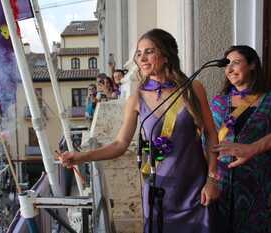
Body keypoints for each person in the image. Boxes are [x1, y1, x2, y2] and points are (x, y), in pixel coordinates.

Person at [60, 28, 220, 232]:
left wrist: (213, 179)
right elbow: (120, 144)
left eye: (149, 52)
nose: (142, 58)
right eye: (139, 53)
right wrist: (82, 157)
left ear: (166, 55)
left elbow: (212, 134)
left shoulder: (193, 88)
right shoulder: (137, 97)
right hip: (158, 191)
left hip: (196, 190)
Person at [210, 45, 271, 233]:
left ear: (252, 65)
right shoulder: (218, 102)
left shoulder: (268, 100)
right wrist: (209, 180)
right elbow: (207, 143)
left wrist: (253, 148)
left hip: (258, 187)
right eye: (227, 65)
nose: (229, 69)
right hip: (221, 187)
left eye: (236, 63)